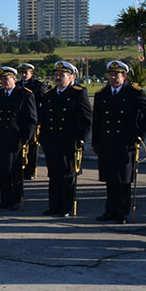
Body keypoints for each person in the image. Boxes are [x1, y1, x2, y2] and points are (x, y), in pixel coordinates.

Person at [93, 60, 146, 224]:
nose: (113, 78)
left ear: (124, 76)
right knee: (109, 178)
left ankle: (122, 212)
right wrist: (95, 142)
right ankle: (110, 211)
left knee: (124, 179)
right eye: (111, 75)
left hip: (126, 142)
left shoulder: (134, 92)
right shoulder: (102, 94)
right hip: (107, 142)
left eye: (116, 75)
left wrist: (139, 135)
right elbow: (97, 121)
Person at [37, 61, 92, 218]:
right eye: (56, 75)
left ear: (72, 77)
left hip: (69, 141)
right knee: (53, 174)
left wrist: (81, 138)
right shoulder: (49, 95)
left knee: (68, 175)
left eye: (62, 75)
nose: (57, 77)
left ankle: (66, 207)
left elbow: (86, 118)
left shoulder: (78, 93)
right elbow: (44, 118)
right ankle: (53, 206)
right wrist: (43, 138)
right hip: (52, 141)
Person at [0, 67, 37, 211]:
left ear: (14, 79)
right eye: (1, 79)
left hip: (15, 140)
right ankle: (5, 199)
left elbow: (31, 120)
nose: (3, 82)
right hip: (0, 138)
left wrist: (24, 139)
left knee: (15, 173)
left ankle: (15, 200)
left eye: (6, 79)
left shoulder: (24, 94)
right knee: (3, 171)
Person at [17, 63, 44, 180]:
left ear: (31, 73)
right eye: (21, 73)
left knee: (32, 147)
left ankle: (31, 170)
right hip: (20, 121)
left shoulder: (38, 85)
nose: (23, 75)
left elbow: (43, 103)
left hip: (33, 120)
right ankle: (20, 169)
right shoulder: (17, 85)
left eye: (25, 73)